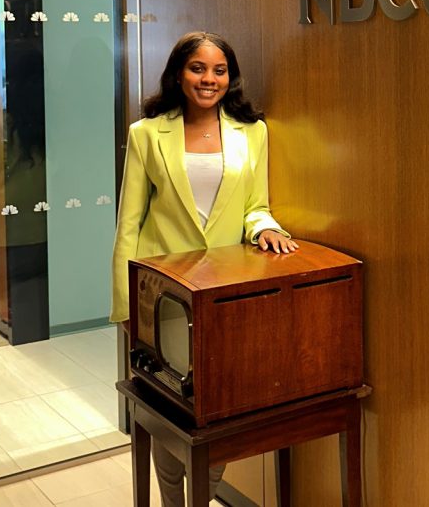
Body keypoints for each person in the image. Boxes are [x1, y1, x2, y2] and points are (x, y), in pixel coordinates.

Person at [110, 31, 298, 506]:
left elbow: (256, 205)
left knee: (220, 413)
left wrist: (264, 230)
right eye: (198, 68)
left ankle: (205, 496)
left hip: (223, 296)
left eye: (218, 70)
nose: (208, 79)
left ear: (230, 77)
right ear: (178, 73)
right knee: (169, 407)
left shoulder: (253, 132)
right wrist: (125, 307)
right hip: (163, 294)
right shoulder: (146, 133)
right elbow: (128, 225)